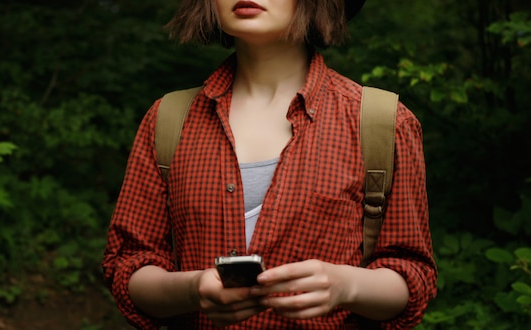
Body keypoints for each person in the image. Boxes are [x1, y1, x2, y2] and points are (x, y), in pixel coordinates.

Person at [102, 0, 437, 328]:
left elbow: (412, 278)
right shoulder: (167, 120)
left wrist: (346, 285)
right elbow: (130, 266)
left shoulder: (382, 124)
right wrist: (192, 289)